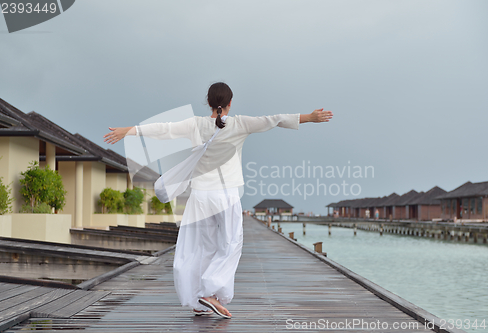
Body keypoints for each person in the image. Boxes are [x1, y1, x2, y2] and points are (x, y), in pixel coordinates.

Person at [103, 82, 333, 319]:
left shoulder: (195, 124)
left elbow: (164, 129)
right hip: (226, 194)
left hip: (200, 195)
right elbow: (273, 119)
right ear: (230, 103)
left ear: (209, 102)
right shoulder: (240, 123)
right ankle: (210, 293)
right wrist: (310, 117)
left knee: (199, 247)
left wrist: (127, 130)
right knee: (231, 244)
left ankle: (198, 301)